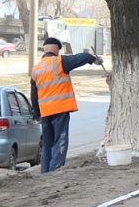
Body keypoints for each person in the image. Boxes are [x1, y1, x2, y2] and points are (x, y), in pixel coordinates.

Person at [31, 37, 103, 173]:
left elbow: (33, 94)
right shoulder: (59, 62)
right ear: (55, 49)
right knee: (60, 140)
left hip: (45, 112)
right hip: (60, 108)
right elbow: (83, 57)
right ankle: (55, 171)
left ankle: (45, 172)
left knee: (47, 143)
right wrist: (94, 60)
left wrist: (37, 114)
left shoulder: (36, 69)